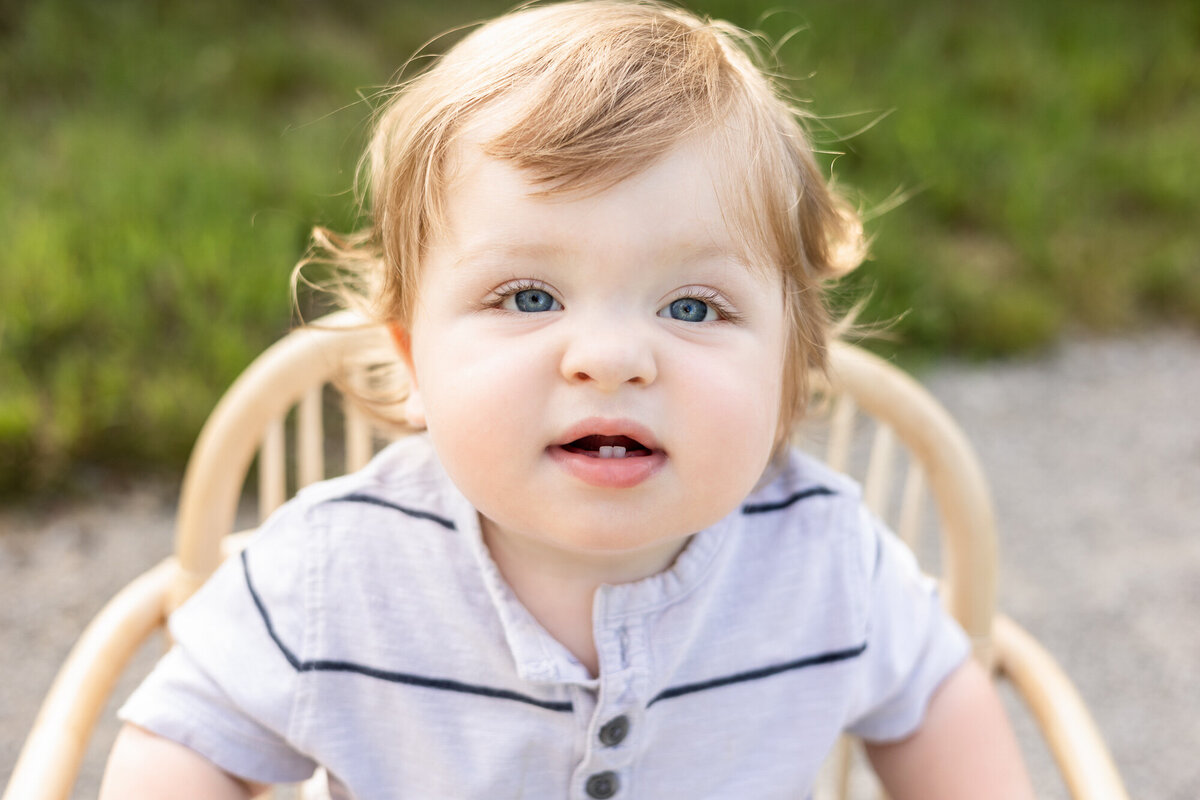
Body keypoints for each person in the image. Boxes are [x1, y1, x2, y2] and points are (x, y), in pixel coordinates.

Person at [100, 2, 1034, 797]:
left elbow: (939, 691)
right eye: (530, 297)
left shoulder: (826, 561)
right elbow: (186, 738)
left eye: (693, 306)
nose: (613, 359)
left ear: (789, 368)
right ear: (412, 357)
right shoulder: (331, 576)